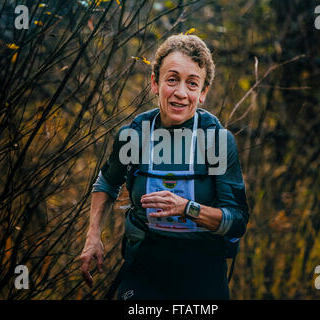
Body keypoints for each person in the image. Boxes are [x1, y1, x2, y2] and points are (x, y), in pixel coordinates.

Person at [80, 34, 249, 300]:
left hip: (203, 271)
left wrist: (187, 208)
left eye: (192, 84)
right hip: (145, 266)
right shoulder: (134, 136)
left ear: (203, 93)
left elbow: (237, 221)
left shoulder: (216, 141)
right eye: (172, 79)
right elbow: (107, 182)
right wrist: (93, 236)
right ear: (154, 83)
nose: (181, 93)